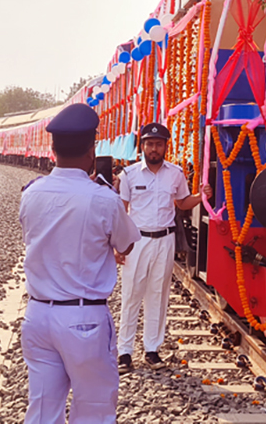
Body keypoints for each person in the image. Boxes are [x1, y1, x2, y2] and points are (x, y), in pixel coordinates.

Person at [19, 103, 139, 424]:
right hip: (83, 318)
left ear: (53, 149)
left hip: (38, 315)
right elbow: (125, 244)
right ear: (92, 151)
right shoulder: (103, 198)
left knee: (42, 409)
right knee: (94, 411)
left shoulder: (31, 194)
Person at [116, 122, 212, 373]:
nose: (154, 149)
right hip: (137, 242)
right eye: (149, 144)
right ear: (143, 147)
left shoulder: (175, 173)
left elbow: (181, 203)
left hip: (165, 240)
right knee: (131, 295)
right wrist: (118, 246)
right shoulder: (129, 175)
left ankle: (151, 350)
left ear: (165, 146)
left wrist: (202, 197)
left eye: (158, 144)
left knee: (158, 295)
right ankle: (124, 352)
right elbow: (121, 211)